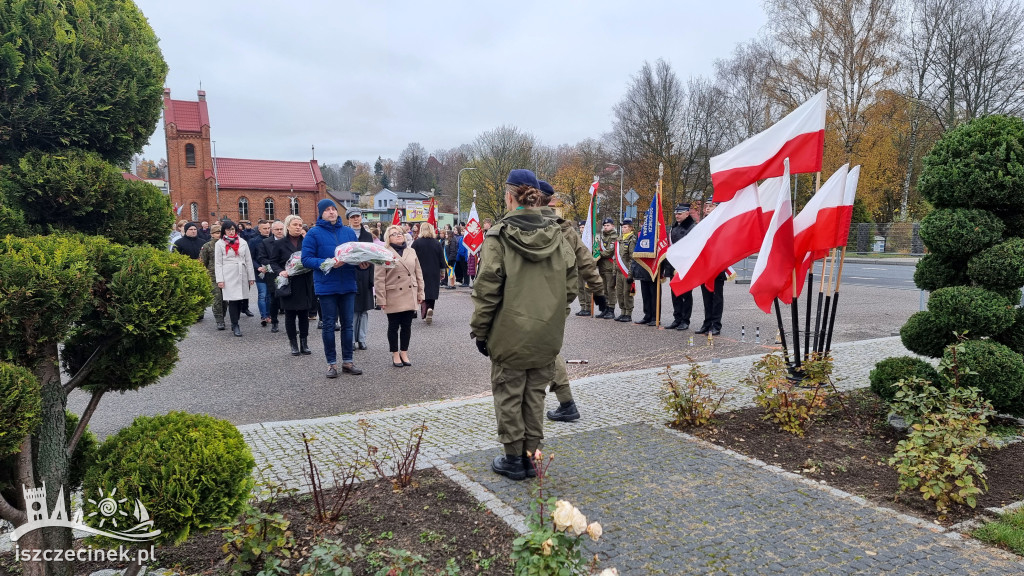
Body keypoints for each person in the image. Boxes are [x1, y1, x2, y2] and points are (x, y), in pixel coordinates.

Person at [471, 169, 577, 481]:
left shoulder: (499, 236)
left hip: (508, 334)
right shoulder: (558, 234)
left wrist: (480, 331)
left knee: (509, 395)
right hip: (547, 333)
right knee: (535, 396)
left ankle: (513, 460)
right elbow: (571, 285)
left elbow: (487, 290)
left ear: (509, 196)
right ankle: (532, 458)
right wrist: (553, 314)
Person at [537, 180, 604, 423]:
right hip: (561, 299)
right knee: (545, 348)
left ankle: (565, 402)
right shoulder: (565, 228)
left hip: (537, 300)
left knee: (545, 350)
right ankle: (563, 402)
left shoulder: (532, 227)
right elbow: (586, 261)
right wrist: (599, 291)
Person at [301, 199, 364, 378]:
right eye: (327, 210)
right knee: (329, 325)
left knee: (348, 325)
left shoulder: (348, 232)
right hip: (327, 285)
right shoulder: (313, 233)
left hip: (348, 284)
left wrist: (362, 264)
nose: (331, 212)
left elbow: (356, 255)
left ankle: (348, 362)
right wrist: (329, 263)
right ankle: (331, 364)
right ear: (321, 213)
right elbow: (306, 259)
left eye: (333, 209)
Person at [376, 224, 425, 367]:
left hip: (410, 293)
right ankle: (395, 353)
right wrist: (381, 298)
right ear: (387, 238)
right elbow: (379, 278)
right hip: (393, 294)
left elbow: (418, 273)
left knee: (407, 326)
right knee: (393, 326)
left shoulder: (411, 251)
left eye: (400, 233)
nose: (398, 235)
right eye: (394, 233)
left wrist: (421, 292)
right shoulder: (383, 253)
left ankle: (404, 351)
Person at [271, 215, 314, 356]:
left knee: (303, 315)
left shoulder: (307, 242)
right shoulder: (279, 244)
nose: (298, 227)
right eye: (295, 224)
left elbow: (312, 258)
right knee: (290, 315)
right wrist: (281, 271)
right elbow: (273, 262)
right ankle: (293, 344)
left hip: (305, 282)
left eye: (300, 225)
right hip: (289, 283)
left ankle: (304, 343)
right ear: (288, 226)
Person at [214, 220, 256, 337]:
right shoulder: (220, 244)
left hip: (241, 272)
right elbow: (218, 263)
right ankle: (235, 324)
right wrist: (220, 279)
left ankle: (235, 321)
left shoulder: (242, 242)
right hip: (228, 273)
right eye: (228, 230)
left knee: (240, 299)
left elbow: (248, 260)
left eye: (233, 229)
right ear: (224, 231)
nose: (231, 232)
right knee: (232, 300)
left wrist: (251, 277)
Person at [662, 204, 700, 330]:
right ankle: (677, 318)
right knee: (675, 293)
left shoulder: (692, 227)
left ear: (687, 214)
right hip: (674, 266)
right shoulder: (674, 228)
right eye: (676, 213)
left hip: (685, 266)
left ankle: (685, 320)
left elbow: (692, 248)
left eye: (680, 213)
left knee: (686, 294)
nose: (677, 216)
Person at [347, 208, 374, 350]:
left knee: (364, 310)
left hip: (365, 275)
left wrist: (372, 278)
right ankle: (350, 340)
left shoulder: (368, 236)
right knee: (352, 311)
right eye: (353, 217)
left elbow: (373, 256)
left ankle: (362, 339)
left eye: (357, 216)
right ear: (349, 219)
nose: (356, 219)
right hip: (351, 274)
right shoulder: (346, 234)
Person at [696, 203, 725, 336]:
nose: (707, 208)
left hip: (717, 266)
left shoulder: (722, 223)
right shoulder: (703, 224)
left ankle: (716, 324)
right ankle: (707, 323)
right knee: (706, 298)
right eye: (706, 205)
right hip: (705, 267)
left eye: (711, 206)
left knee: (716, 298)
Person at [411, 222, 445, 324]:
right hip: (434, 271)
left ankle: (425, 312)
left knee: (422, 290)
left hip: (420, 271)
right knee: (432, 291)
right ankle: (431, 309)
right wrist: (442, 272)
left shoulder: (416, 243)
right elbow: (441, 259)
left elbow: (411, 257)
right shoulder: (437, 243)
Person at [259, 220, 286, 332]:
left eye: (281, 229)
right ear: (272, 230)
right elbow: (261, 257)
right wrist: (272, 265)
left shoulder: (288, 241)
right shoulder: (266, 242)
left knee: (288, 299)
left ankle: (291, 323)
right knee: (274, 300)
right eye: (277, 229)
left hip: (287, 273)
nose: (279, 231)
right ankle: (274, 322)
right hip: (273, 274)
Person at [198, 224, 225, 330]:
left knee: (225, 300)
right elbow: (202, 262)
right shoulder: (207, 246)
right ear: (212, 234)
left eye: (221, 233)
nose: (219, 235)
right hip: (213, 276)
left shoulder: (226, 245)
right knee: (217, 298)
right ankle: (219, 320)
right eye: (217, 233)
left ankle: (223, 316)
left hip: (225, 275)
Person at [612, 219, 636, 322]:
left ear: (631, 228)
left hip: (626, 271)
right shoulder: (619, 239)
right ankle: (622, 312)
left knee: (627, 293)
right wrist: (614, 273)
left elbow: (632, 258)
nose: (623, 229)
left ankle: (628, 313)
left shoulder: (632, 239)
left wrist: (630, 274)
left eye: (625, 227)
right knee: (619, 293)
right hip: (618, 271)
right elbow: (615, 258)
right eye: (622, 227)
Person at [595, 218, 619, 319]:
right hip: (602, 266)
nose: (605, 227)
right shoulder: (602, 237)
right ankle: (605, 309)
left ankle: (611, 310)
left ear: (613, 226)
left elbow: (609, 252)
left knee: (610, 289)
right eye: (604, 226)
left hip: (610, 267)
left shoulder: (614, 237)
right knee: (604, 289)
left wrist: (597, 254)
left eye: (608, 225)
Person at [575, 221, 592, 317]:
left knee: (587, 288)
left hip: (586, 266)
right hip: (578, 266)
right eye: (580, 227)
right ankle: (582, 306)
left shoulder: (590, 239)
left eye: (583, 227)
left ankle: (588, 307)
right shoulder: (577, 238)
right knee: (580, 287)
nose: (582, 229)